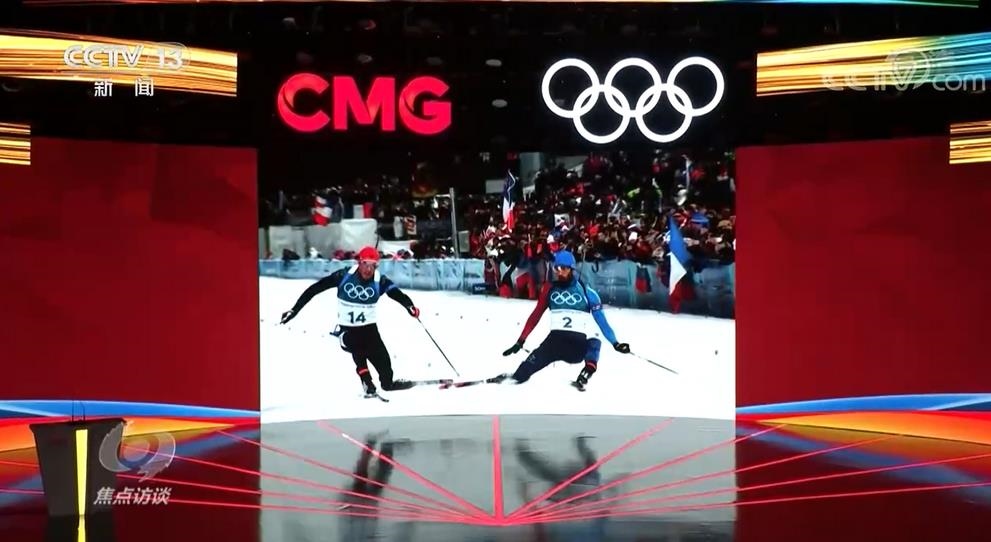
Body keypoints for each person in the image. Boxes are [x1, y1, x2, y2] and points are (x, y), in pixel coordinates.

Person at [279, 246, 420, 396]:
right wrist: (294, 310)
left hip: (370, 331)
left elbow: (398, 295)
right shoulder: (344, 276)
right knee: (357, 345)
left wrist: (409, 306)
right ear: (359, 262)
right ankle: (367, 381)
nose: (368, 269)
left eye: (373, 265)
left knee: (386, 374)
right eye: (365, 264)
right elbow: (315, 289)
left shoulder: (380, 281)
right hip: (348, 331)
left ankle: (387, 383)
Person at [501, 250, 630, 389]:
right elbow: (536, 315)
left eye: (564, 268)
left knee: (595, 339)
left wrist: (615, 343)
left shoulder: (584, 291)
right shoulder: (550, 289)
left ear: (571, 269)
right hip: (555, 345)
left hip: (573, 347)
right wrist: (520, 341)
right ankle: (514, 377)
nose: (560, 272)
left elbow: (601, 321)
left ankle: (586, 373)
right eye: (557, 268)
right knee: (521, 375)